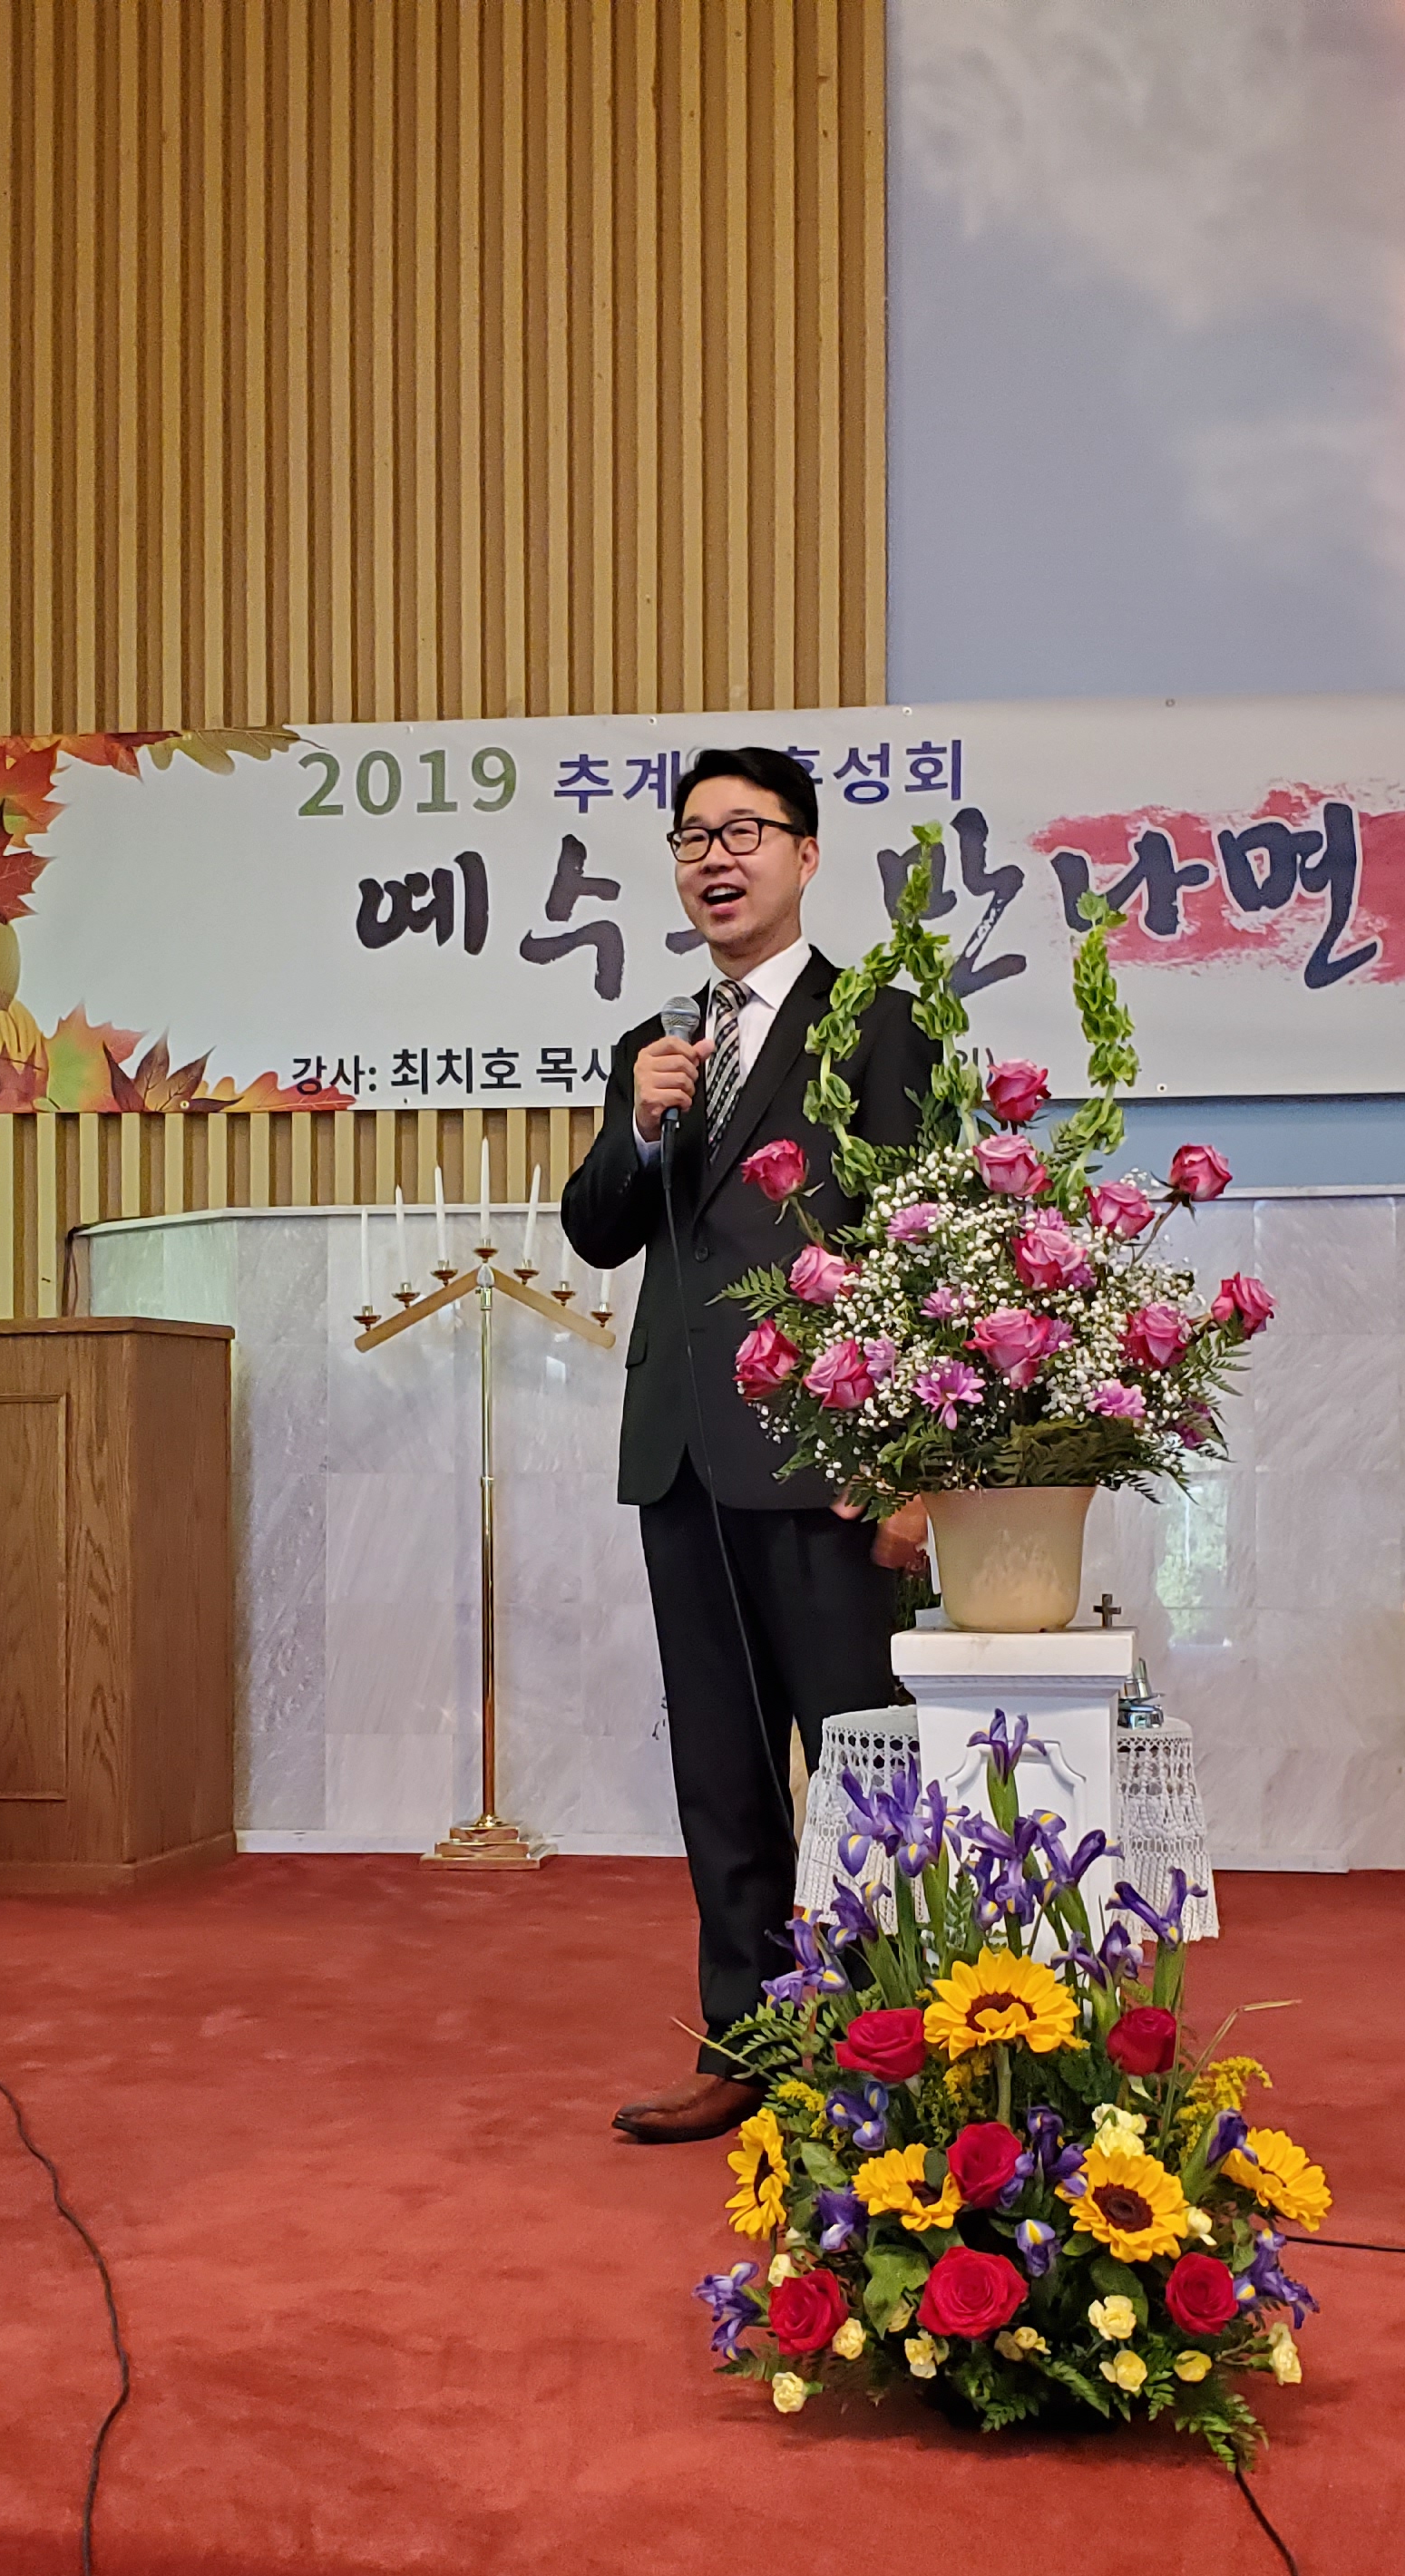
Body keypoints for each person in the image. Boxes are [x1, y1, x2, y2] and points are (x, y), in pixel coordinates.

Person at [560, 747, 939, 2145]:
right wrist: (640, 1127)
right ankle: (748, 2041)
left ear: (805, 854)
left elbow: (920, 1245)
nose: (715, 859)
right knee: (721, 1774)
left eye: (744, 832)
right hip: (683, 1456)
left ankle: (884, 2048)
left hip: (828, 1460)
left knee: (859, 1767)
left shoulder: (878, 1027)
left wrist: (909, 1465)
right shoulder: (655, 1044)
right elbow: (598, 1228)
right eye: (692, 838)